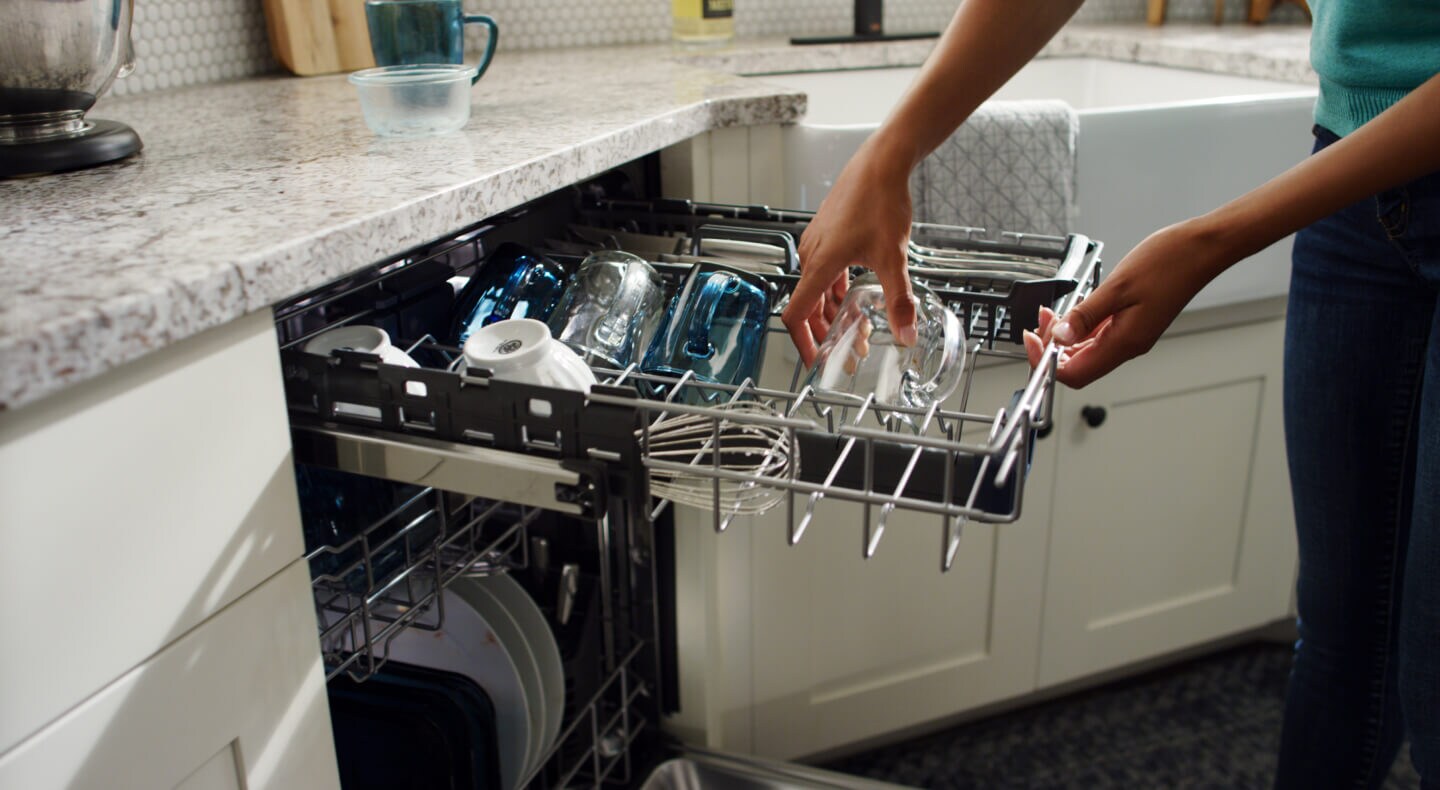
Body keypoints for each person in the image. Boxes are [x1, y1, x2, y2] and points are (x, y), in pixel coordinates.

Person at [781, 1, 1440, 786]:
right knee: (1342, 639)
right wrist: (888, 154)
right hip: (1355, 172)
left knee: (1434, 671)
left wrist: (1212, 243)